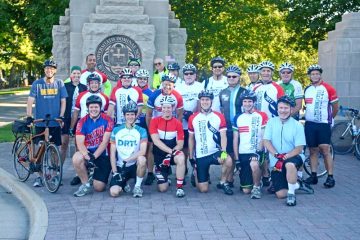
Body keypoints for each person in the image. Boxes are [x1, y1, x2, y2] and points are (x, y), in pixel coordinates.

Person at [263, 96, 313, 206]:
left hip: (293, 156)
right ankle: (297, 184)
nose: (283, 110)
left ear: (291, 110)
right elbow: (266, 141)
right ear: (277, 109)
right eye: (280, 108)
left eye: (286, 108)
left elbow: (299, 148)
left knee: (290, 164)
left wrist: (286, 156)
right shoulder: (271, 122)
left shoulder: (297, 125)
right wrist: (276, 154)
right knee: (280, 194)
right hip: (277, 160)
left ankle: (291, 194)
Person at [26, 59, 68, 187]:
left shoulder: (60, 84)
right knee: (40, 149)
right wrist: (29, 116)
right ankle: (39, 176)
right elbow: (30, 101)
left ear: (55, 70)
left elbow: (63, 102)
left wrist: (61, 116)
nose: (49, 70)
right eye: (46, 68)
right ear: (44, 70)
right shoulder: (37, 84)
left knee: (55, 150)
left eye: (51, 68)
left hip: (54, 123)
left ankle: (55, 176)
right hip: (40, 122)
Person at [188, 90, 234, 195]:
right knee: (203, 189)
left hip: (214, 152)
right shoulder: (193, 118)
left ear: (211, 101)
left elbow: (223, 136)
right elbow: (191, 138)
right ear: (200, 101)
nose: (205, 102)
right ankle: (196, 173)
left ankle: (223, 182)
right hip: (201, 155)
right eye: (203, 100)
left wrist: (223, 152)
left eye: (207, 100)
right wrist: (191, 157)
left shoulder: (218, 116)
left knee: (228, 160)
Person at [69, 73, 109, 185]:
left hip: (98, 127)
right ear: (88, 84)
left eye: (96, 83)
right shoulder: (81, 95)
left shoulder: (104, 97)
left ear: (99, 84)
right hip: (83, 126)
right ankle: (79, 174)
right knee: (80, 150)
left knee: (97, 148)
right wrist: (72, 127)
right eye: (92, 83)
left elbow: (106, 115)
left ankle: (95, 170)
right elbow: (76, 112)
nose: (94, 85)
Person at [304, 64, 339, 188]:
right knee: (312, 150)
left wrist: (329, 119)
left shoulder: (328, 88)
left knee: (325, 150)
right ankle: (313, 176)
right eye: (312, 74)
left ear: (320, 75)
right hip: (310, 124)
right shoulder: (307, 89)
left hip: (323, 124)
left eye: (317, 74)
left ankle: (330, 177)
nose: (315, 76)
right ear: (309, 76)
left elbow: (335, 107)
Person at [72, 95, 114, 197]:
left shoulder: (108, 120)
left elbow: (105, 142)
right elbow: (80, 143)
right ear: (88, 108)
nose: (93, 109)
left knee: (99, 187)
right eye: (91, 107)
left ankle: (95, 175)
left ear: (100, 108)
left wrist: (94, 157)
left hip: (103, 155)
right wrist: (87, 156)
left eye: (96, 107)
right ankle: (85, 184)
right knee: (76, 158)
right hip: (88, 152)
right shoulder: (82, 122)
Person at [253, 60, 285, 186]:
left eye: (268, 71)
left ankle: (275, 176)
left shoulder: (277, 87)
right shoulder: (256, 88)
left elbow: (283, 106)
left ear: (271, 73)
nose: (265, 73)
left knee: (273, 151)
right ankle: (265, 175)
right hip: (258, 124)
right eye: (263, 71)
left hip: (273, 124)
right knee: (262, 151)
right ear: (260, 73)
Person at [149, 96, 186, 197]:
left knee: (181, 157)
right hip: (160, 155)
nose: (166, 110)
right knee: (162, 189)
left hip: (172, 153)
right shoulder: (154, 121)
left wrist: (171, 155)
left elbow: (180, 144)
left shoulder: (177, 123)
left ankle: (179, 187)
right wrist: (170, 153)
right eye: (164, 107)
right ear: (161, 108)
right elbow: (156, 141)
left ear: (173, 108)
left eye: (168, 107)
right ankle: (164, 173)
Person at [233, 91, 268, 199]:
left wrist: (258, 151)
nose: (247, 104)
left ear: (254, 102)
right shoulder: (238, 118)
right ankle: (255, 180)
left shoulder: (262, 115)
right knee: (246, 190)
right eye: (245, 101)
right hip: (243, 152)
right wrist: (237, 159)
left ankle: (257, 187)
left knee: (254, 163)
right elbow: (235, 139)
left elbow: (263, 136)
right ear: (242, 103)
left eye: (250, 101)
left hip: (257, 151)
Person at [109, 102, 147, 198]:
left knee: (142, 159)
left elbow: (143, 151)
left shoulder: (142, 130)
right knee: (114, 193)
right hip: (121, 166)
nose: (130, 117)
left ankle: (137, 187)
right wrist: (114, 172)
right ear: (124, 115)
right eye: (128, 114)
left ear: (135, 115)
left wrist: (129, 159)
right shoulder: (116, 130)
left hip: (134, 165)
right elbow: (112, 153)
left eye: (132, 114)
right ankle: (124, 182)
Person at [219, 65, 247, 187]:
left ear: (239, 77)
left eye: (234, 76)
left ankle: (245, 180)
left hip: (241, 129)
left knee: (241, 154)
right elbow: (221, 110)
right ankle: (229, 179)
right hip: (227, 128)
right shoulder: (222, 92)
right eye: (229, 76)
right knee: (229, 154)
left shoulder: (244, 92)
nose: (231, 78)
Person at [175, 64, 202, 163]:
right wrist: (184, 113)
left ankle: (195, 170)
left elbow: (201, 102)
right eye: (186, 73)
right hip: (183, 122)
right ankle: (184, 167)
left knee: (196, 146)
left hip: (196, 120)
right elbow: (176, 104)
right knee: (184, 147)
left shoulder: (200, 86)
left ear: (195, 75)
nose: (189, 75)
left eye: (191, 73)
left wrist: (193, 114)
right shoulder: (178, 87)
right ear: (183, 75)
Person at [60, 66, 87, 165]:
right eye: (74, 73)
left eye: (78, 73)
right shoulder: (65, 86)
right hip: (67, 117)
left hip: (79, 119)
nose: (76, 75)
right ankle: (59, 169)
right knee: (64, 143)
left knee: (78, 144)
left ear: (81, 75)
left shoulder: (84, 87)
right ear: (71, 75)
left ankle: (78, 168)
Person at [134, 69, 156, 185]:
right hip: (135, 123)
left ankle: (151, 172)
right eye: (140, 79)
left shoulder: (151, 93)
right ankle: (136, 170)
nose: (142, 81)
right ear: (136, 79)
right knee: (137, 147)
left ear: (147, 80)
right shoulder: (133, 91)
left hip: (147, 123)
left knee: (149, 149)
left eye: (144, 79)